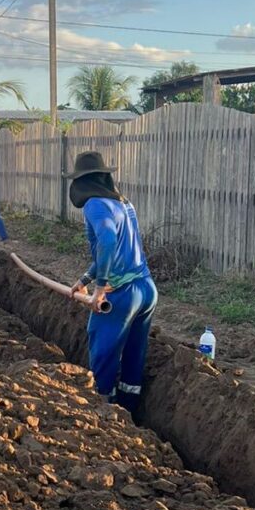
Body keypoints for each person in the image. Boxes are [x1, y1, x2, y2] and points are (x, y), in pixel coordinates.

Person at [66, 151, 156, 415]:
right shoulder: (123, 204)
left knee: (103, 353)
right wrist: (85, 279)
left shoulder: (95, 204)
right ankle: (129, 413)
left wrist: (99, 288)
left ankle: (104, 413)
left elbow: (106, 241)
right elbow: (115, 247)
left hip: (121, 295)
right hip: (146, 289)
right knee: (133, 355)